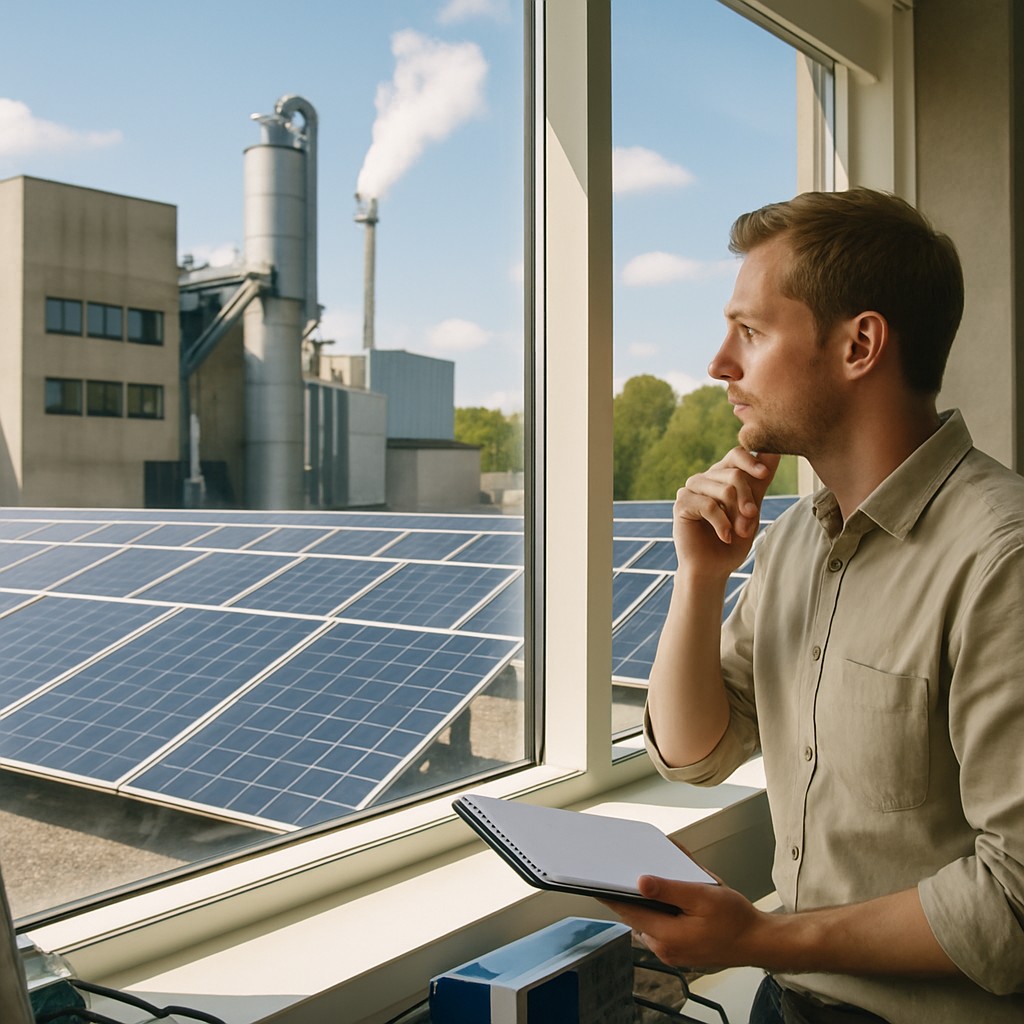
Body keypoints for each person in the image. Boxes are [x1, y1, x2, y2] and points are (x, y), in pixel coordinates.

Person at [602, 189, 1024, 1023]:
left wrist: (762, 938)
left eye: (750, 332)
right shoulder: (796, 542)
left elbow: (1014, 904)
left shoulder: (1000, 558)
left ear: (860, 344)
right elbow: (694, 755)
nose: (721, 362)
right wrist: (701, 576)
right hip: (786, 1004)